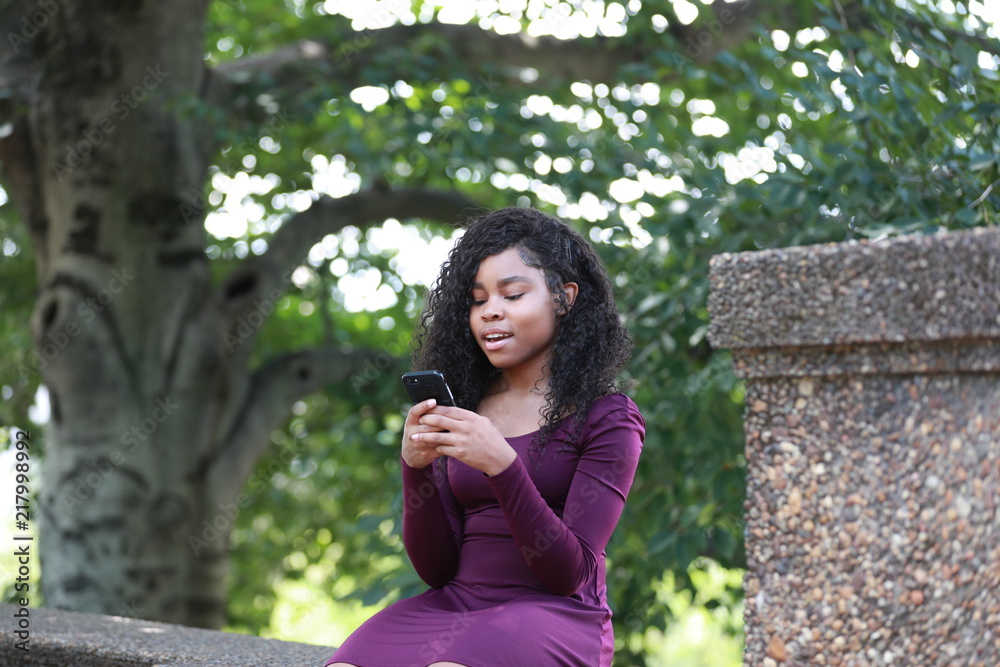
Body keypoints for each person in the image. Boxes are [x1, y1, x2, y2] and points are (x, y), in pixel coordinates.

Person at [325, 206, 644, 667]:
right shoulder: (465, 409)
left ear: (564, 298)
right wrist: (415, 469)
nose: (491, 311)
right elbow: (437, 571)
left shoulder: (608, 417)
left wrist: (502, 466)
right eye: (477, 300)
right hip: (454, 605)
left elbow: (570, 572)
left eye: (512, 294)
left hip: (555, 613)